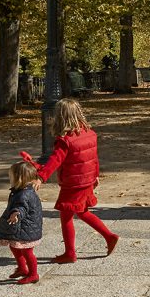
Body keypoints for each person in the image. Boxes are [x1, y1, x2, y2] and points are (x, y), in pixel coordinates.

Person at [35, 98, 118, 263]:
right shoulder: (89, 134)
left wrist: (41, 176)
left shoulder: (65, 141)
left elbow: (54, 161)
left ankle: (70, 253)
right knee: (82, 212)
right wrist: (95, 175)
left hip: (72, 184)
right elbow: (93, 158)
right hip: (86, 180)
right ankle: (109, 236)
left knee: (66, 217)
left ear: (61, 117)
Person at [0, 161, 43, 284]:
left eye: (11, 176)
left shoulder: (24, 194)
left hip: (26, 228)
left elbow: (22, 207)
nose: (10, 179)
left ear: (19, 178)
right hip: (22, 227)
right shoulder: (22, 190)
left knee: (27, 251)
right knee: (14, 247)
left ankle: (33, 274)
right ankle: (22, 268)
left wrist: (16, 213)